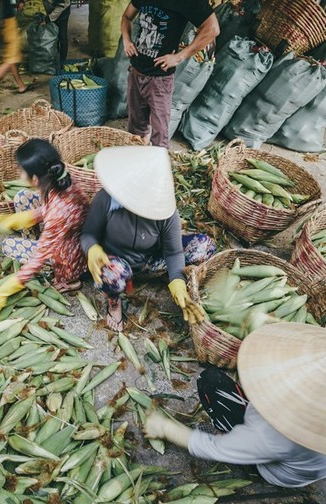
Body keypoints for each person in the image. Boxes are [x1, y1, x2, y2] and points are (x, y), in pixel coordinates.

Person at [144, 323, 326, 488]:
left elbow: (212, 448)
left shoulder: (271, 435)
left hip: (281, 471)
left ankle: (253, 459)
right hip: (322, 461)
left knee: (210, 381)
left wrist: (165, 427)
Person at [80, 146, 215, 331]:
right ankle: (114, 302)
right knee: (108, 275)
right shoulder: (107, 199)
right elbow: (88, 233)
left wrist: (178, 282)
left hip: (149, 260)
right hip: (116, 263)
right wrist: (93, 249)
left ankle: (160, 276)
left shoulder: (167, 213)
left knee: (204, 246)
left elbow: (173, 251)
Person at [0, 139, 89, 316]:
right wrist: (16, 219)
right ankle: (34, 239)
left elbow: (37, 260)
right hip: (68, 232)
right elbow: (51, 209)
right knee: (22, 197)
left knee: (9, 245)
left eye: (21, 169)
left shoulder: (57, 215)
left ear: (34, 178)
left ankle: (69, 281)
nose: (19, 172)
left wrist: (4, 291)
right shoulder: (61, 178)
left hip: (69, 256)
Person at [121, 1, 220, 147]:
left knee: (160, 136)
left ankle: (157, 166)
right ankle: (138, 162)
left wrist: (180, 56)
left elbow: (212, 29)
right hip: (135, 72)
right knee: (136, 131)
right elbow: (127, 17)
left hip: (159, 80)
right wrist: (127, 40)